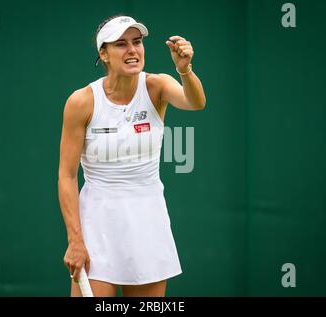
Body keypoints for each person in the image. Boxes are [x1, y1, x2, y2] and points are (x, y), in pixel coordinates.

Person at [58, 15, 206, 297]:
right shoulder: (82, 101)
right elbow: (66, 175)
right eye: (121, 44)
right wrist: (75, 239)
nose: (132, 50)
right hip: (97, 223)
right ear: (104, 54)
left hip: (147, 219)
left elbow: (196, 102)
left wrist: (185, 71)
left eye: (137, 42)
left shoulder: (158, 86)